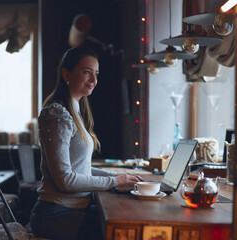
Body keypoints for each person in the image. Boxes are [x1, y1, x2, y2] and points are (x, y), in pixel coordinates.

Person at [30, 46, 144, 240]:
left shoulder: (74, 112)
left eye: (96, 74)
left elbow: (80, 169)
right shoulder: (57, 114)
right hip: (54, 214)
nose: (94, 80)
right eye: (87, 72)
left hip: (69, 210)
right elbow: (65, 179)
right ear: (66, 74)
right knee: (126, 233)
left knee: (132, 223)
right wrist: (114, 181)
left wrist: (119, 176)